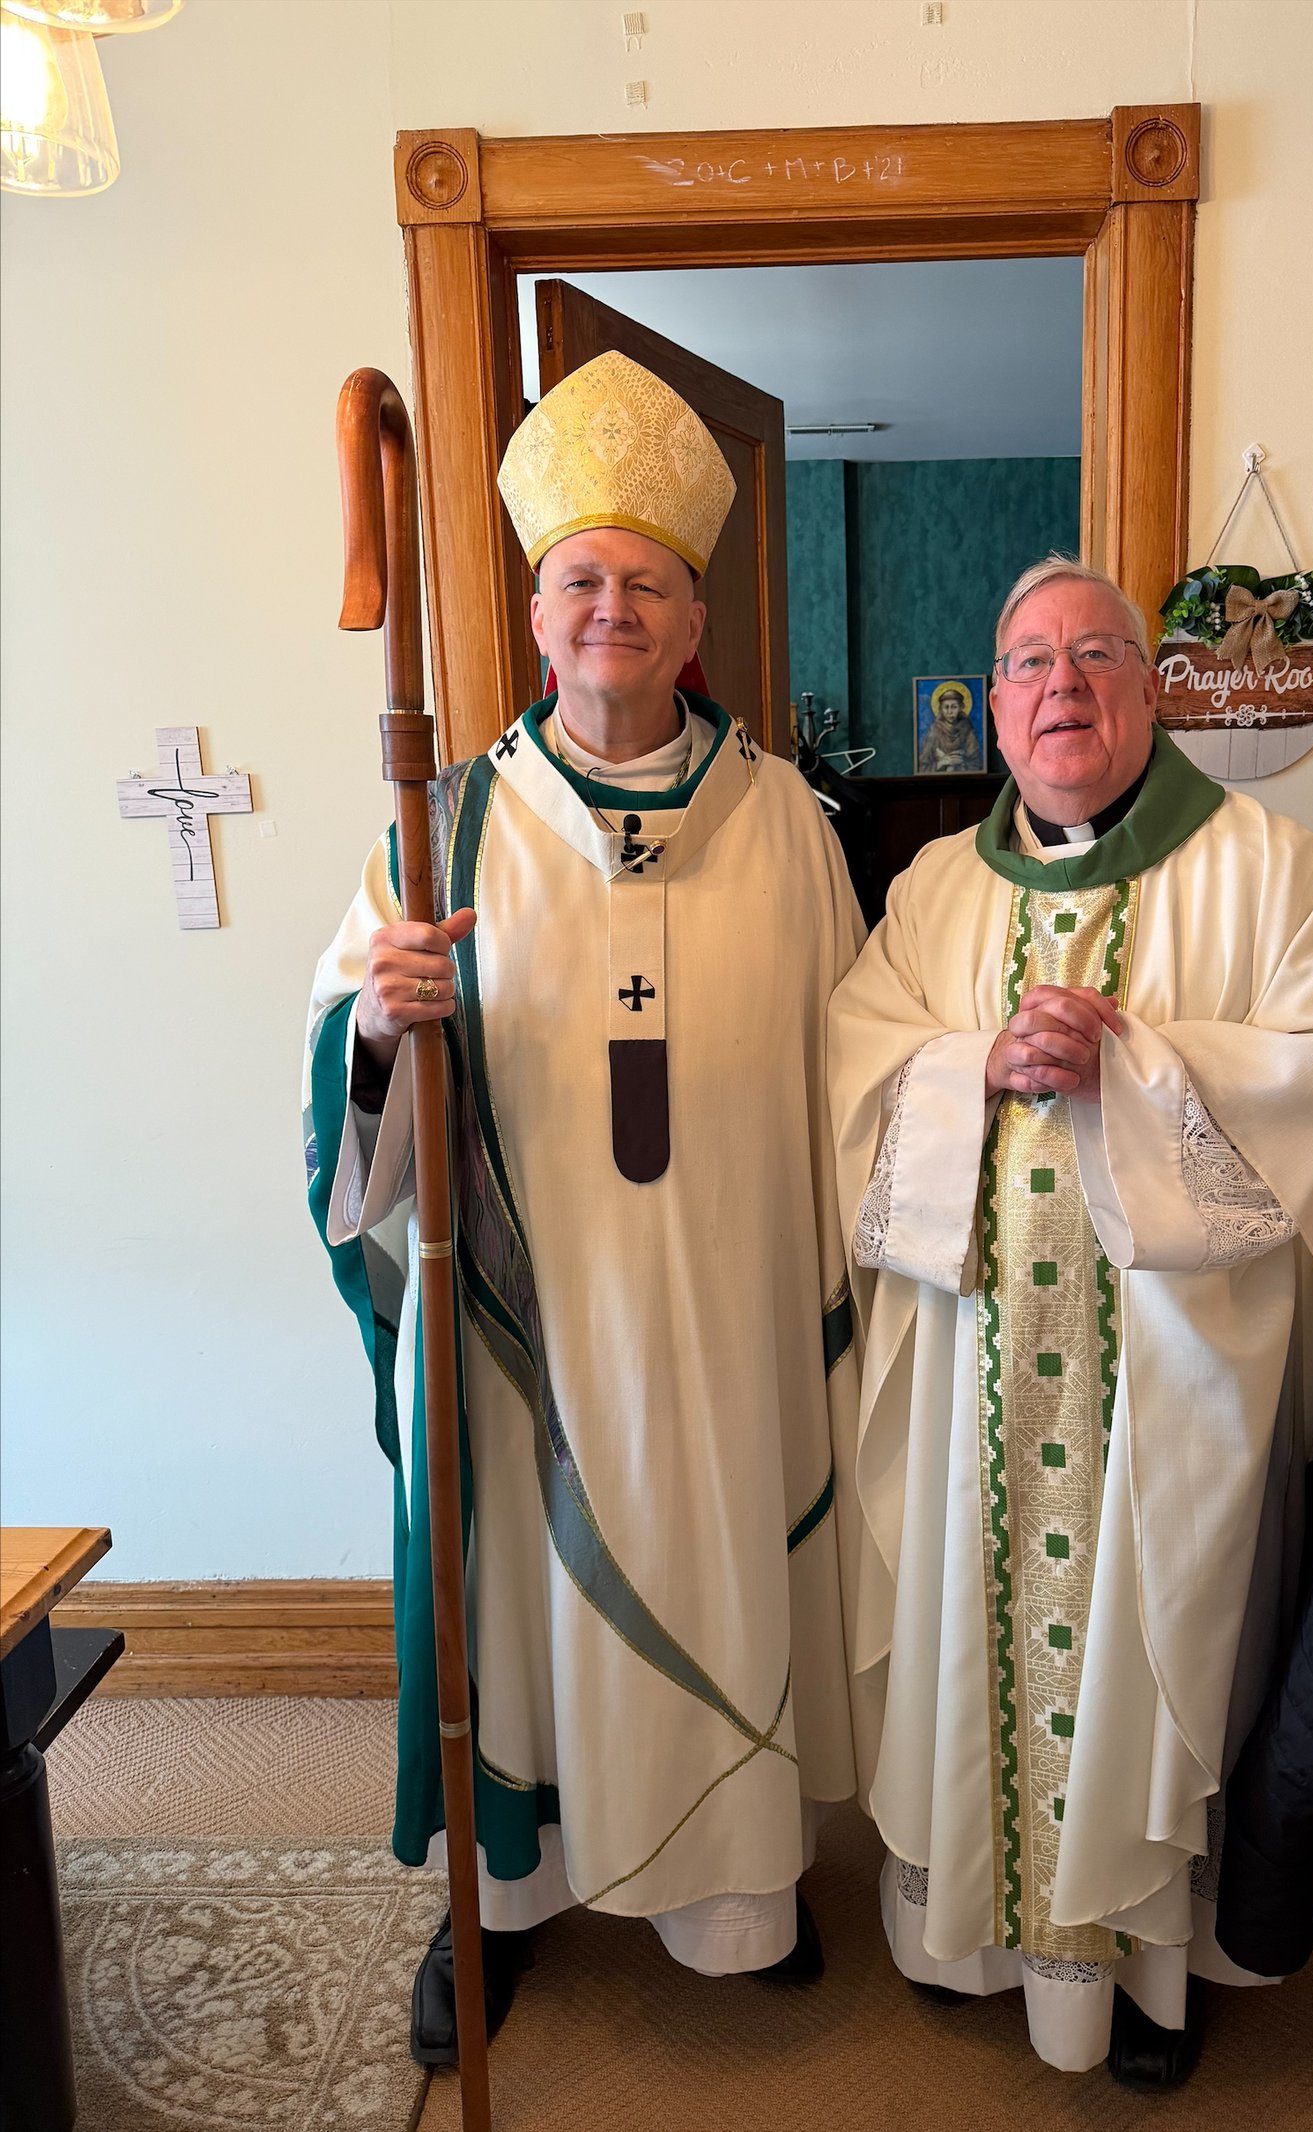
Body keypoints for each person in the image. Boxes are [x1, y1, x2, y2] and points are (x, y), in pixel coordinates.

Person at [305, 351, 864, 2067]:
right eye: (579, 581)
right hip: (523, 1329)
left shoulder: (784, 819)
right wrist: (381, 1027)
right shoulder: (444, 825)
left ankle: (740, 1893)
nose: (611, 605)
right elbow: (348, 1087)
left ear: (697, 622)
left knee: (720, 1559)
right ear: (540, 619)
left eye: (647, 582)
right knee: (516, 1611)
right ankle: (502, 1911)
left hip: (728, 1317)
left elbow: (856, 1072)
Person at [827, 555, 1313, 2089]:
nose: (1059, 688)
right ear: (996, 709)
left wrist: (1135, 1070)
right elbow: (856, 1067)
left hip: (1173, 1388)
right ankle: (969, 1936)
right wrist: (970, 1068)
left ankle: (1147, 1970)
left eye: (1093, 658)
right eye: (1027, 665)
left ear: (1152, 690)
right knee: (966, 1633)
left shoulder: (1266, 868)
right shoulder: (935, 890)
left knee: (1170, 1645)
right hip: (975, 1382)